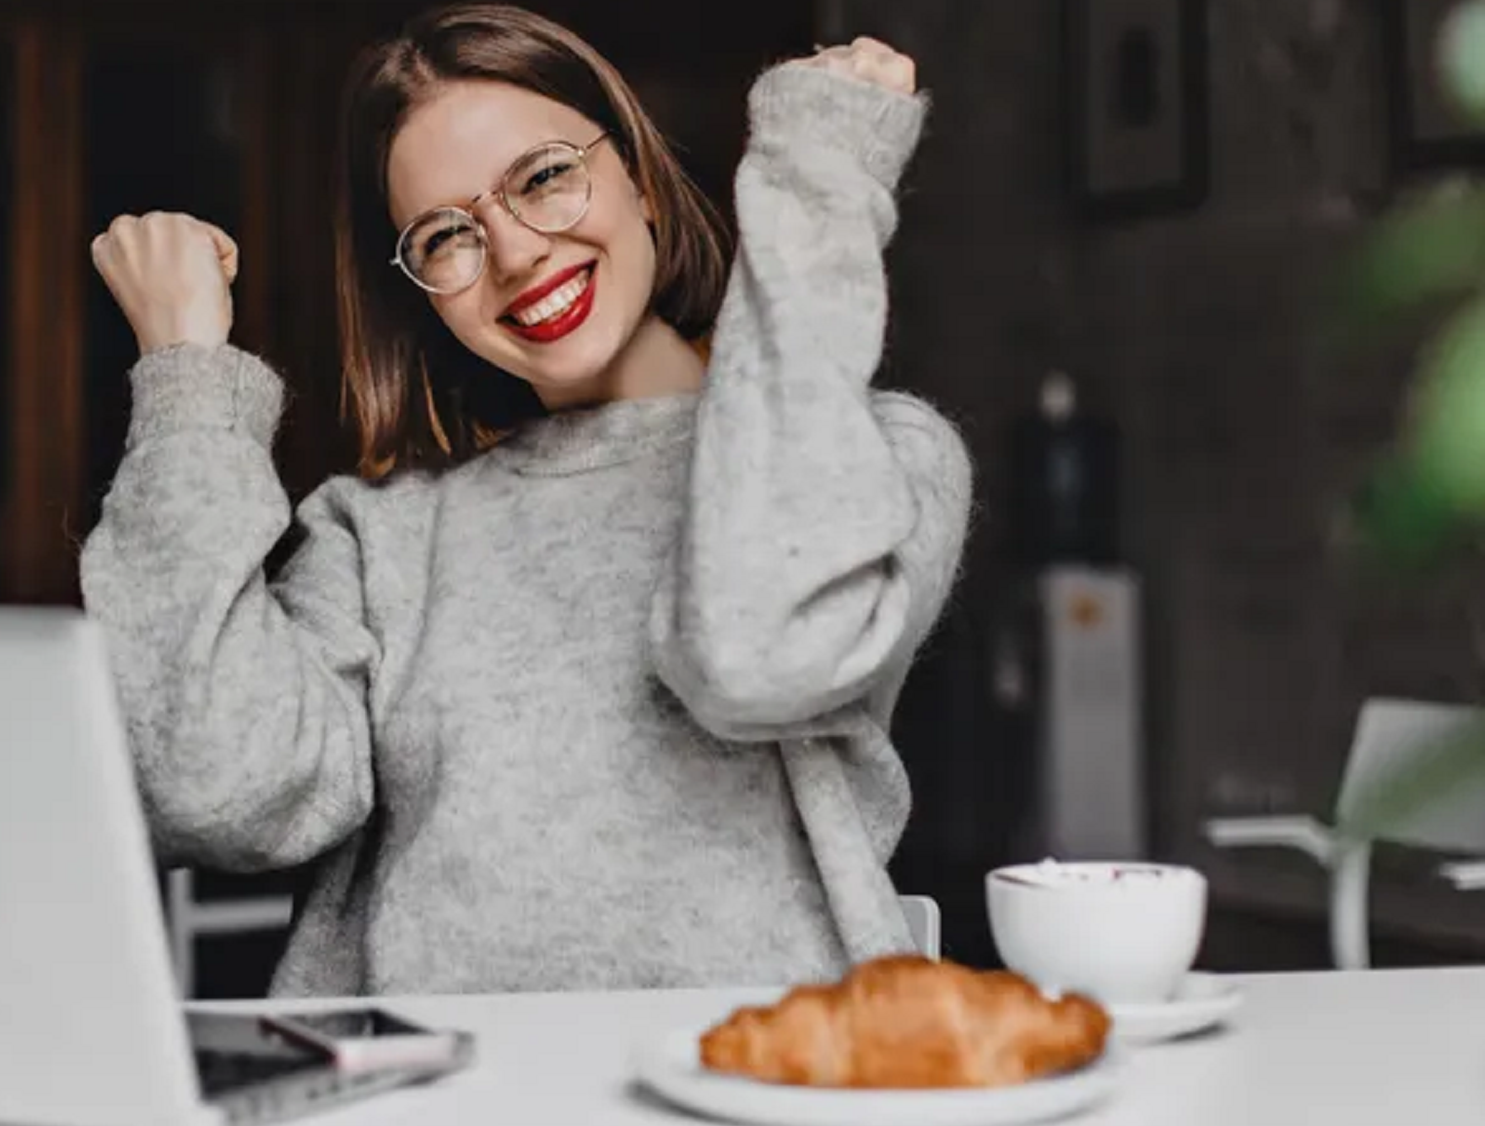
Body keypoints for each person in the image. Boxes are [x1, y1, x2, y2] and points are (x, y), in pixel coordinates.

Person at [83, 3, 972, 997]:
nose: (513, 256)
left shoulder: (882, 457)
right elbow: (217, 793)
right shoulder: (380, 531)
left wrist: (817, 175)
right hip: (432, 1094)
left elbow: (758, 650)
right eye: (445, 236)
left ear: (635, 169)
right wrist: (184, 375)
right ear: (419, 288)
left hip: (753, 1084)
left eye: (545, 177)